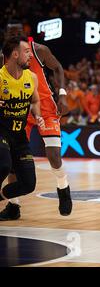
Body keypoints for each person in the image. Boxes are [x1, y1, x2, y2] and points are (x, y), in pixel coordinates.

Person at [0, 23, 72, 221]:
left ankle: (63, 187)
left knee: (54, 155)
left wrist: (63, 95)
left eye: (18, 34)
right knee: (13, 162)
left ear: (25, 36)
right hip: (19, 109)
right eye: (11, 34)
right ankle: (13, 206)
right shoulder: (3, 57)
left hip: (44, 106)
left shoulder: (38, 50)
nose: (14, 37)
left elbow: (57, 67)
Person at [0, 36, 45, 209]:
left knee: (28, 184)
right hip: (2, 132)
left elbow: (34, 100)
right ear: (15, 55)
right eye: (27, 52)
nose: (31, 55)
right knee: (4, 165)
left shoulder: (31, 77)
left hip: (19, 136)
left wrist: (38, 115)